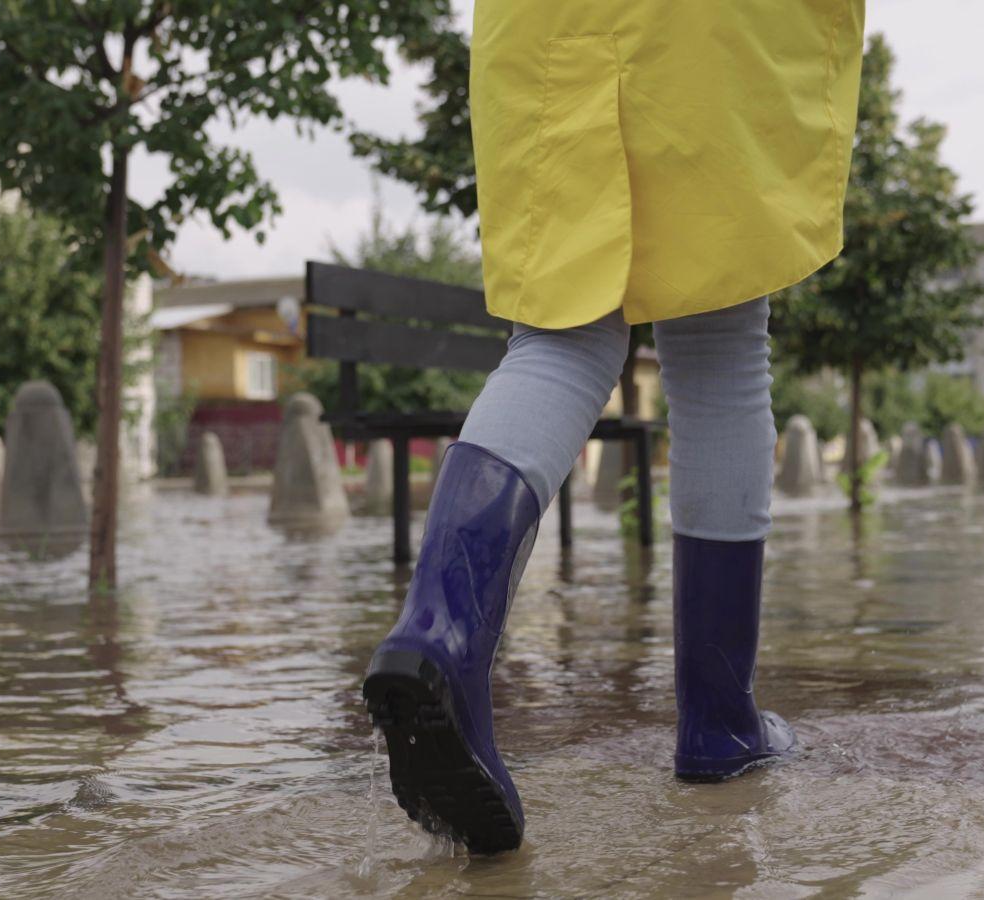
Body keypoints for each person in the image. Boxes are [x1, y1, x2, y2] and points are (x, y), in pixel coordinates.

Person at [362, 0, 867, 854]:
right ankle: (719, 722)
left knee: (559, 336)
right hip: (716, 30)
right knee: (720, 340)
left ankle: (438, 632)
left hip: (551, 22)